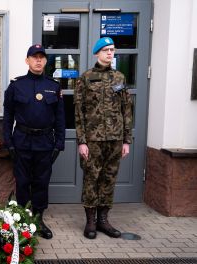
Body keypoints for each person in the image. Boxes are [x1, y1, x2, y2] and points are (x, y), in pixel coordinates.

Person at [3, 44, 65, 239]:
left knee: (41, 182)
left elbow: (60, 118)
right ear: (27, 60)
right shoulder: (16, 86)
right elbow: (7, 117)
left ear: (45, 61)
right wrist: (9, 143)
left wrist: (59, 144)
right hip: (21, 142)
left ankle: (38, 219)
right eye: (34, 57)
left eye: (41, 57)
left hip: (45, 143)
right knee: (22, 182)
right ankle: (23, 220)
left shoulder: (53, 87)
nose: (38, 60)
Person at [74, 37, 133, 239]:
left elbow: (127, 111)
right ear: (97, 53)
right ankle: (90, 222)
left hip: (115, 140)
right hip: (93, 140)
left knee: (109, 179)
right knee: (91, 179)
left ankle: (103, 221)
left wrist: (127, 140)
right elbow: (79, 113)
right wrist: (81, 141)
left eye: (112, 50)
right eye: (106, 50)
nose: (110, 53)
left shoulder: (120, 78)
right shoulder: (85, 78)